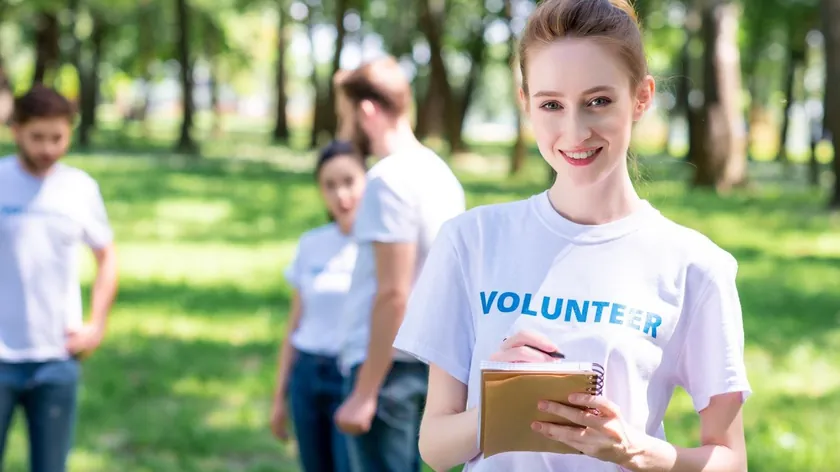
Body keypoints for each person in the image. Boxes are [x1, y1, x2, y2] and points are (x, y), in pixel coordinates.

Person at [392, 1, 752, 471]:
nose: (574, 132)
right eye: (551, 105)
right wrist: (499, 403)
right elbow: (435, 449)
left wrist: (637, 452)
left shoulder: (694, 265)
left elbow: (730, 461)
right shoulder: (471, 241)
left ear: (641, 97)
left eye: (598, 101)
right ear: (525, 103)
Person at [331, 57, 466, 472]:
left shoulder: (388, 179)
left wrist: (365, 391)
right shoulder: (440, 172)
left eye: (345, 115)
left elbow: (393, 292)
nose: (345, 127)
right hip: (430, 366)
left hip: (387, 373)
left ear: (366, 110)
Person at [0, 85, 119, 472]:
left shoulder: (79, 188)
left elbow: (107, 257)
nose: (48, 148)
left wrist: (96, 324)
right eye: (37, 137)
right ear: (15, 129)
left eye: (57, 137)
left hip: (57, 357)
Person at [270, 140, 367, 472]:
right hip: (308, 376)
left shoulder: (380, 250)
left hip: (352, 377)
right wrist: (279, 396)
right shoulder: (311, 244)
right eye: (330, 185)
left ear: (367, 181)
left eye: (349, 182)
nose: (341, 195)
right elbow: (295, 324)